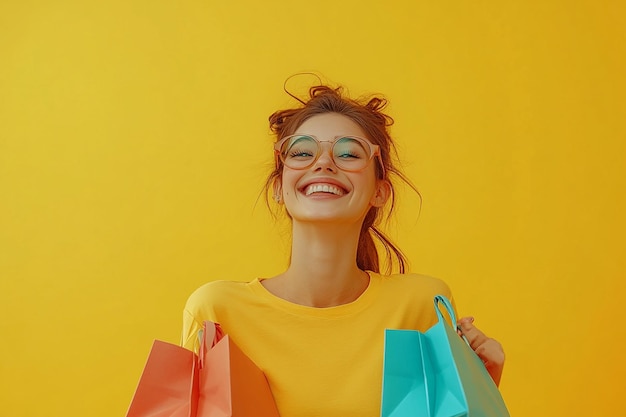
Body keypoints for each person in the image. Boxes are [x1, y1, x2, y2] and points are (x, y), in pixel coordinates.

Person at [181, 84, 505, 417]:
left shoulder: (421, 305)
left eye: (349, 153)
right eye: (302, 153)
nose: (323, 163)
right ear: (279, 187)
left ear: (380, 191)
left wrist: (482, 387)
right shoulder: (216, 313)